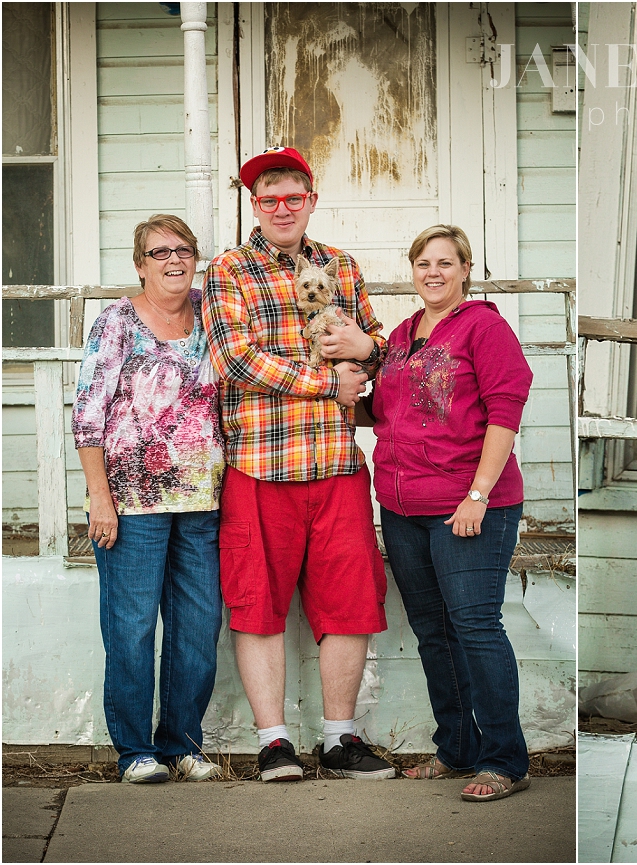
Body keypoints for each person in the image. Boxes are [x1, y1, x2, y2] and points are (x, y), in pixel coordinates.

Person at [202, 146, 395, 782]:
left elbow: (380, 353)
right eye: (267, 199)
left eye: (292, 198)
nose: (281, 208)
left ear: (310, 200)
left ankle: (340, 739)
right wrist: (326, 384)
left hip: (336, 462)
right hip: (259, 462)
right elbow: (236, 359)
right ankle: (274, 742)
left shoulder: (340, 265)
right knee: (257, 602)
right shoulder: (229, 270)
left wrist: (365, 351)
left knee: (349, 600)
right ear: (252, 205)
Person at [372, 225, 535, 802]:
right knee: (432, 632)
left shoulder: (484, 327)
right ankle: (457, 747)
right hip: (401, 506)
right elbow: (380, 412)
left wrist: (479, 494)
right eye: (423, 262)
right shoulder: (402, 335)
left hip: (467, 506)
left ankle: (503, 759)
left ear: (466, 268)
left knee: (475, 626)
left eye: (445, 262)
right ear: (411, 270)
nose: (433, 272)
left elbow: (504, 412)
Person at [72, 214, 225, 784]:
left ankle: (182, 743)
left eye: (183, 250)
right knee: (132, 627)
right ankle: (136, 749)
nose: (173, 261)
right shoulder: (116, 320)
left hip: (203, 500)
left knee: (198, 626)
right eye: (158, 253)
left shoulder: (214, 313)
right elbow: (88, 415)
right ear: (140, 265)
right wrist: (99, 497)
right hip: (131, 503)